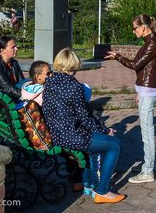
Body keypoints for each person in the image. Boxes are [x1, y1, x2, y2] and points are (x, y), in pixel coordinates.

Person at [42, 48, 125, 204]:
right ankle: (102, 191)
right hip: (70, 137)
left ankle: (86, 182)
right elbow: (86, 119)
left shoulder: (50, 82)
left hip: (55, 134)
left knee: (99, 142)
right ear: (75, 65)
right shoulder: (75, 87)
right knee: (115, 145)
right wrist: (106, 130)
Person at [105, 15, 156, 184]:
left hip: (148, 89)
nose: (133, 31)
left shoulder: (152, 43)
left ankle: (148, 171)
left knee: (147, 133)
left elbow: (135, 65)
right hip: (145, 89)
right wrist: (139, 91)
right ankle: (147, 164)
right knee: (146, 131)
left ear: (144, 27)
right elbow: (144, 68)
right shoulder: (150, 41)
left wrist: (117, 56)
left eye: (135, 28)